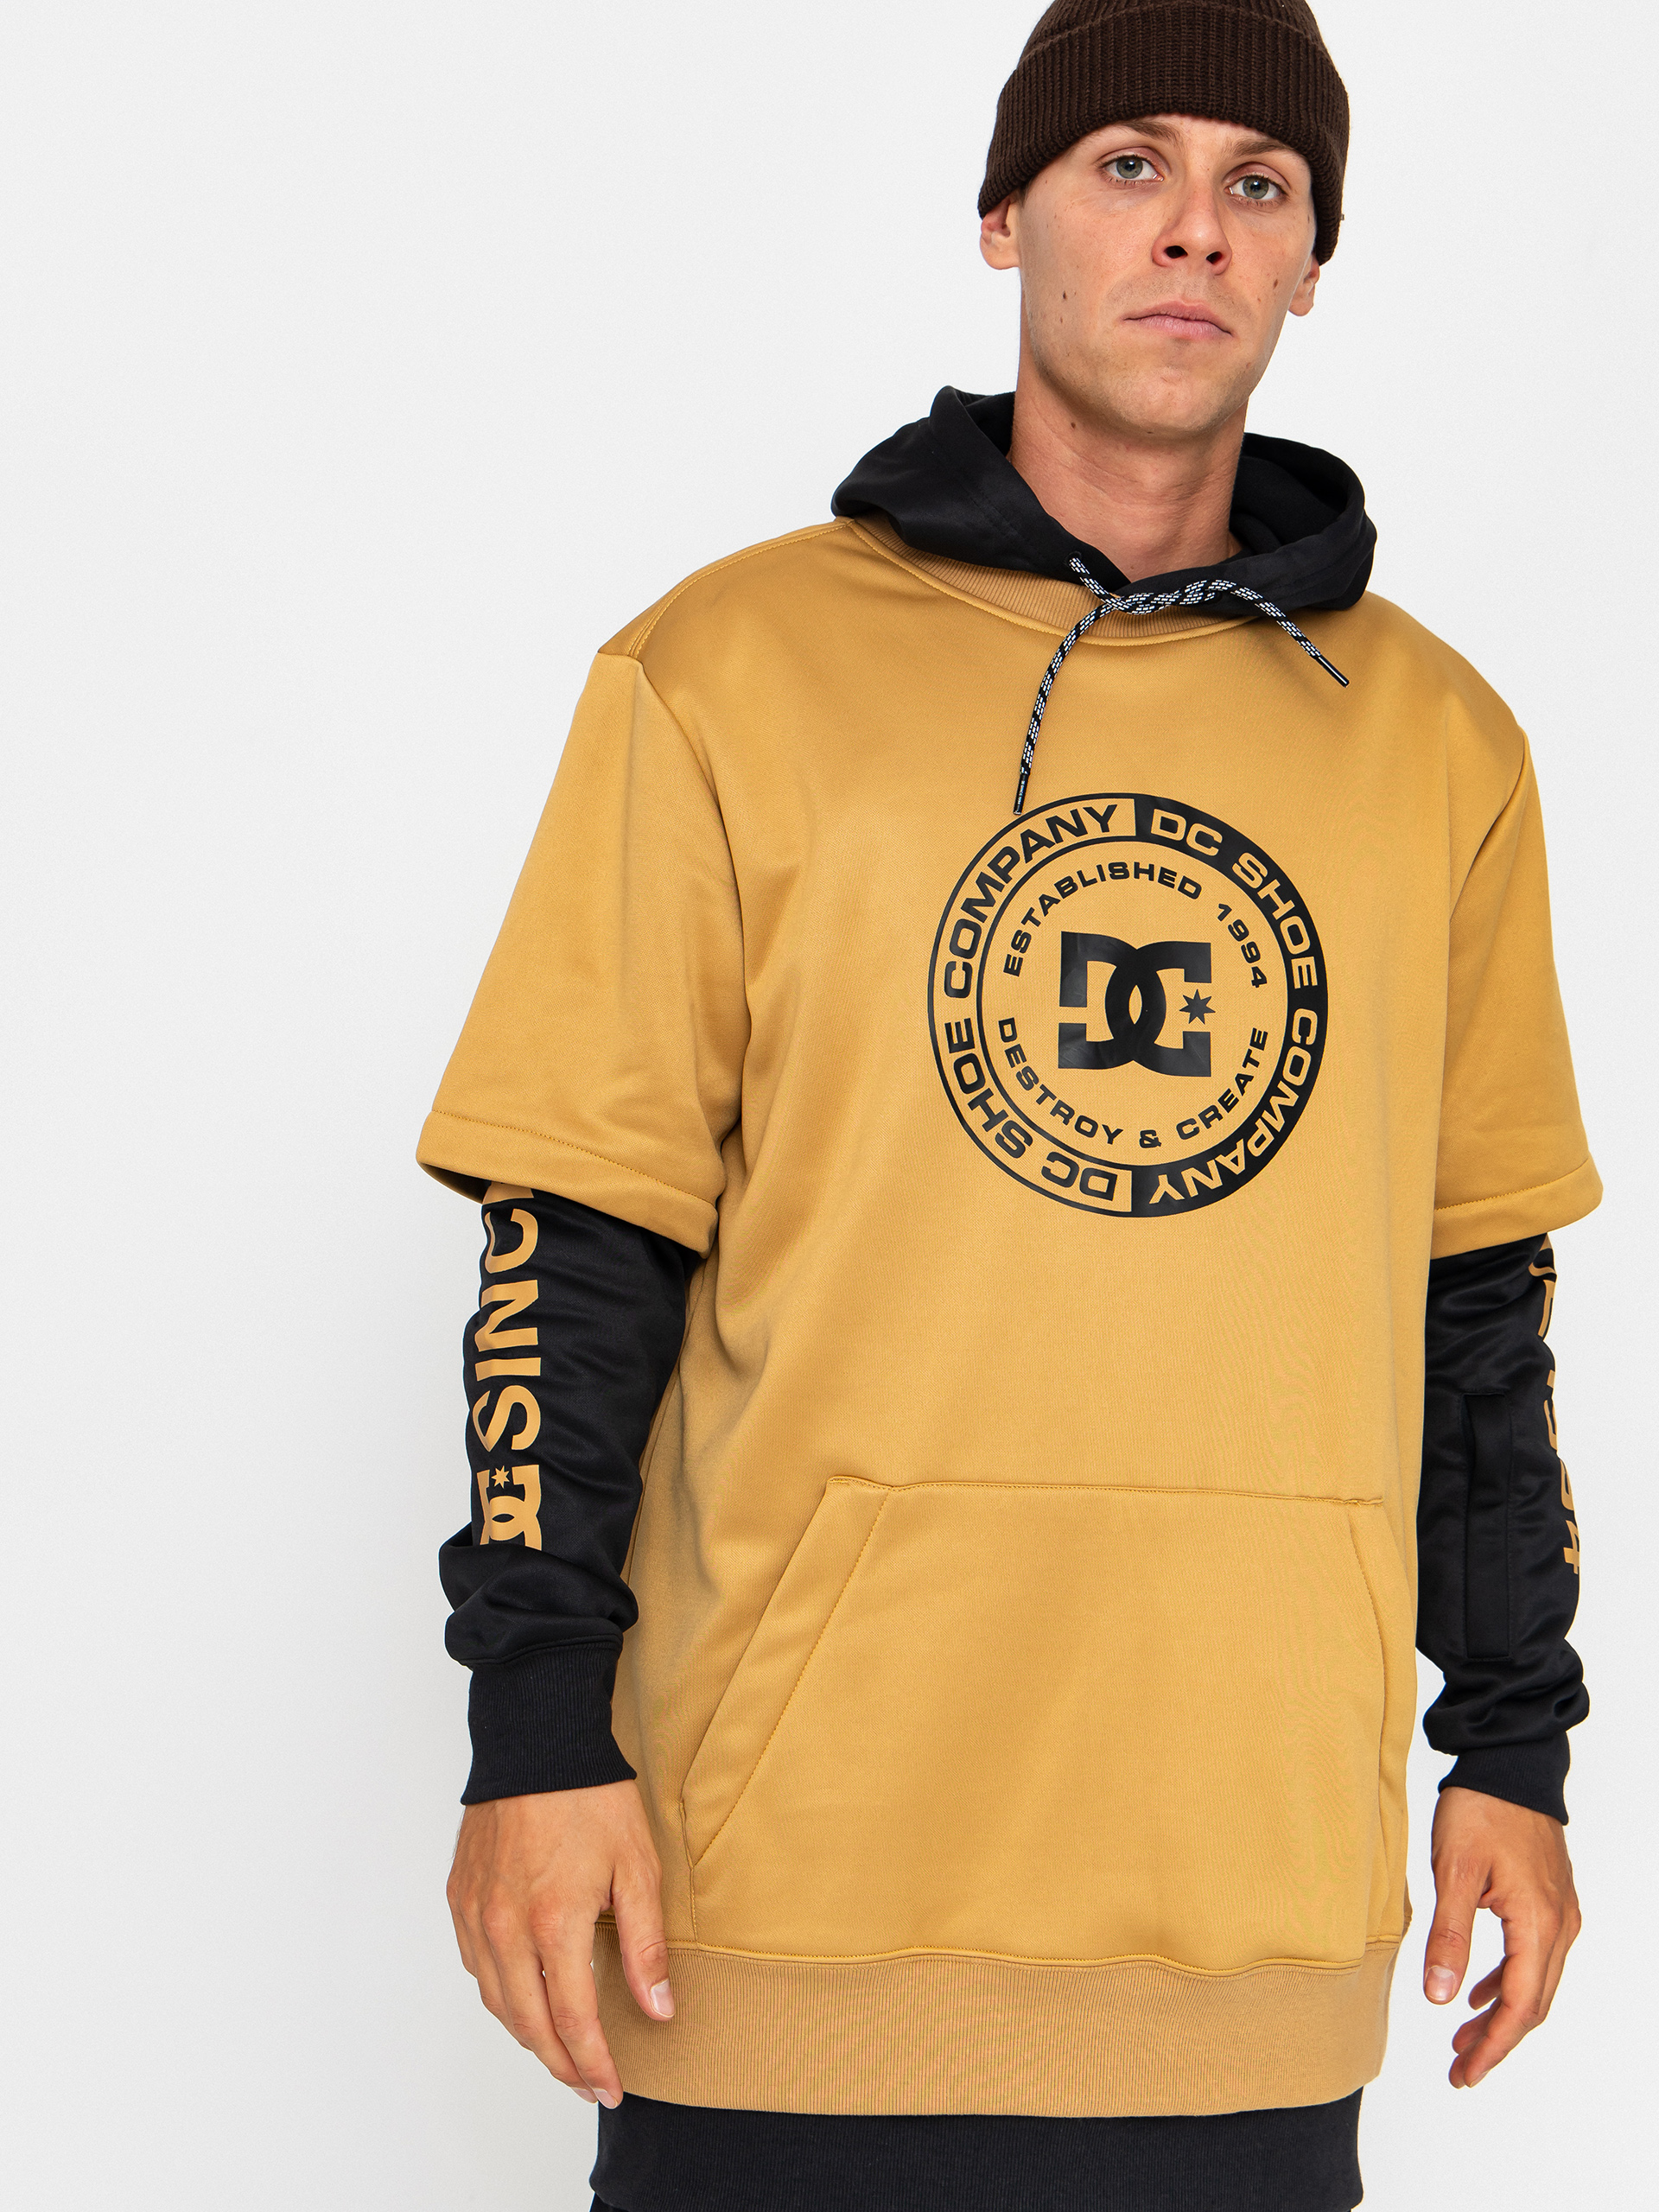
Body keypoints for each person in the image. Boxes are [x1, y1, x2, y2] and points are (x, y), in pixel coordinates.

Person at [417, 4, 1596, 2207]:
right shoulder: (727, 668)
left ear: (1313, 258)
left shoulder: (1438, 740)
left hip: (1247, 1916)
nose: (1194, 230)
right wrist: (533, 1732)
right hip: (780, 1907)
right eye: (1129, 163)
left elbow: (1479, 1295)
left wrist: (1514, 1740)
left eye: (1258, 183)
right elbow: (574, 1242)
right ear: (1005, 218)